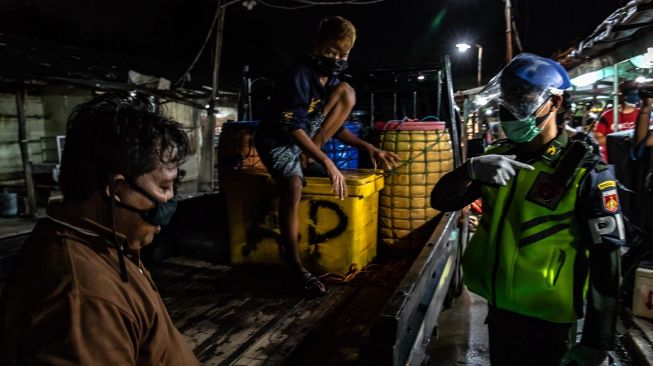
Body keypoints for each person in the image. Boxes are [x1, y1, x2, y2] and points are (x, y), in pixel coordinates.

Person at [432, 54, 624, 366]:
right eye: (508, 98)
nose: (510, 109)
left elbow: (607, 260)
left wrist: (598, 340)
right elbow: (441, 201)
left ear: (556, 104)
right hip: (500, 310)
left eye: (523, 99)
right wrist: (468, 169)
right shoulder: (497, 159)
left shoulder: (586, 172)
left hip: (548, 321)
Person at [0, 92, 199, 365]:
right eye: (164, 186)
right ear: (117, 190)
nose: (169, 200)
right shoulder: (83, 300)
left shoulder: (105, 241)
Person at [255, 16, 399, 297]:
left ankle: (308, 159)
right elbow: (292, 126)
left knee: (347, 93)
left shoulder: (332, 81)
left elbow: (337, 128)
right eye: (329, 52)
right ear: (317, 45)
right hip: (278, 140)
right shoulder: (299, 75)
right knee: (293, 186)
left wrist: (368, 147)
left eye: (342, 54)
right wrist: (325, 159)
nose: (335, 59)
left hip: (306, 140)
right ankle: (295, 268)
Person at [594, 81, 641, 161]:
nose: (637, 98)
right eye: (634, 94)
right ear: (624, 96)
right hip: (613, 159)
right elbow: (599, 139)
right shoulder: (607, 115)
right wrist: (620, 139)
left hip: (635, 158)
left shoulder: (641, 114)